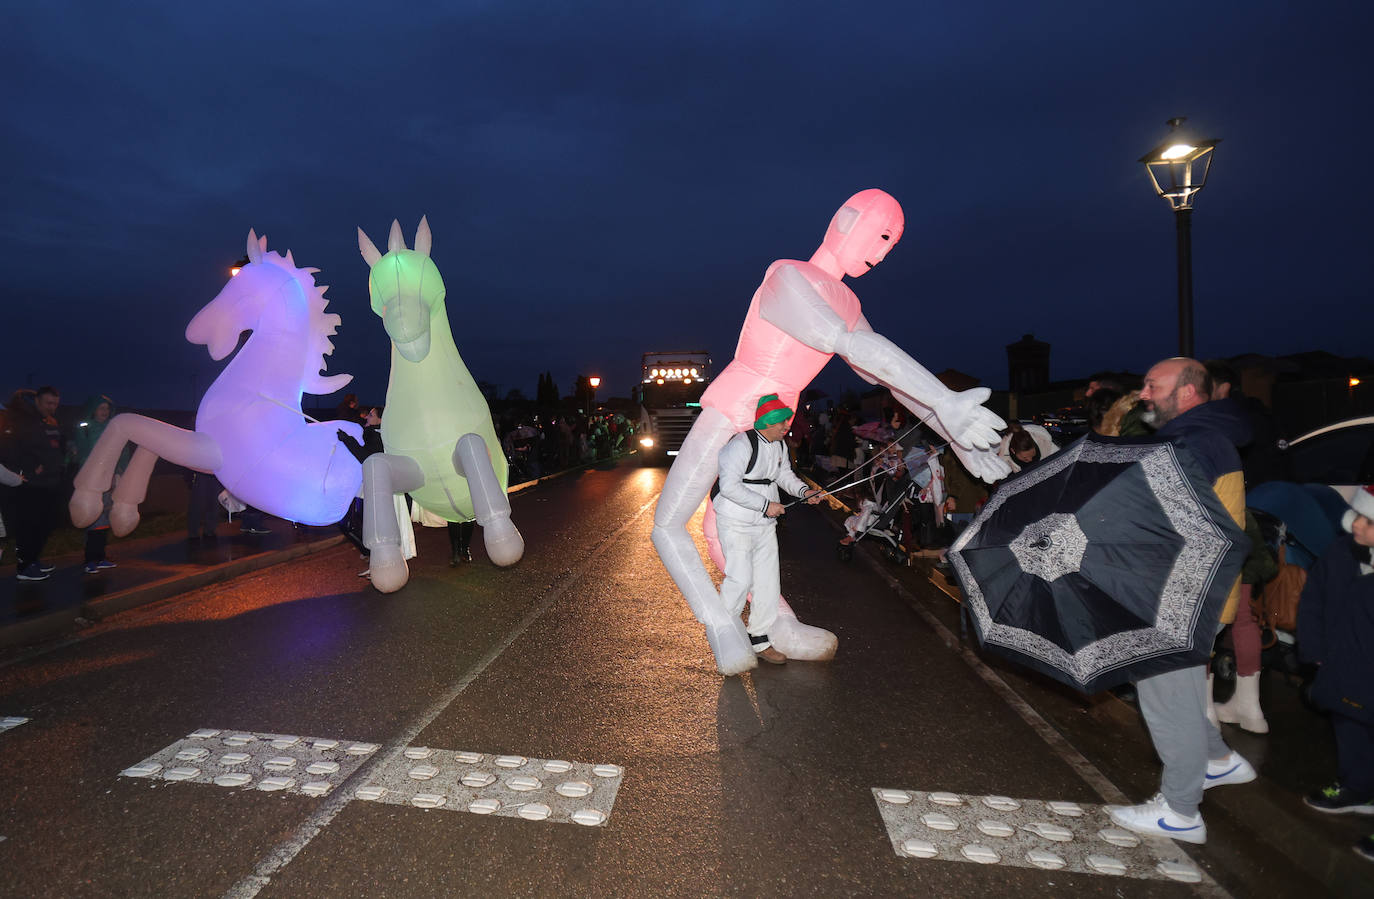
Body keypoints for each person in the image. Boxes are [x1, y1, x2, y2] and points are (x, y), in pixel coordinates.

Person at [1107, 357, 1257, 844]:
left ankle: (1181, 811)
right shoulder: (1207, 435)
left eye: (1154, 385)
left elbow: (1153, 520)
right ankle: (1217, 759)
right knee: (1185, 690)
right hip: (1204, 590)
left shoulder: (1190, 442)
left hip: (1181, 594)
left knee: (1166, 698)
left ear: (1188, 392)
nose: (1144, 393)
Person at [1297, 485, 1374, 862]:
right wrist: (1314, 651)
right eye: (1359, 515)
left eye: (1369, 521)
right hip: (1342, 666)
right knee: (1349, 725)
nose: (1355, 523)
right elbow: (1314, 599)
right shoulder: (1342, 552)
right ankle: (1357, 787)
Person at [714, 396, 822, 664]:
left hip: (764, 524)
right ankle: (725, 636)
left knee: (768, 583)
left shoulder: (780, 445)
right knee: (738, 579)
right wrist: (765, 505)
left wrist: (804, 491)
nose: (787, 426)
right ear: (768, 422)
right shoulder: (740, 445)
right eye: (783, 421)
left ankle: (759, 638)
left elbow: (784, 476)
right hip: (736, 521)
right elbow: (728, 487)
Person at [5, 386, 67, 581]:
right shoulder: (21, 420)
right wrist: (30, 469)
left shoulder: (49, 421)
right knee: (30, 524)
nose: (52, 407)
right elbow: (10, 449)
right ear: (38, 401)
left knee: (46, 524)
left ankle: (33, 560)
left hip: (51, 481)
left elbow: (55, 446)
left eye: (55, 404)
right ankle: (24, 566)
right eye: (49, 403)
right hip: (32, 484)